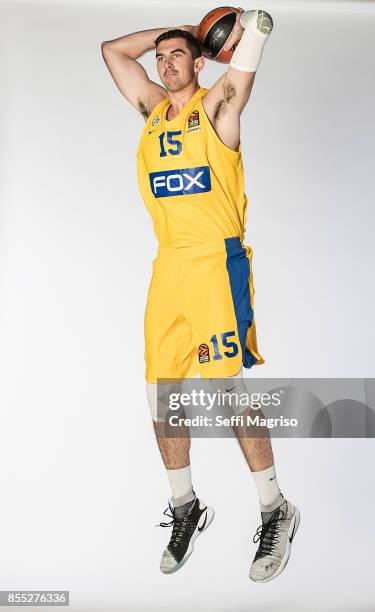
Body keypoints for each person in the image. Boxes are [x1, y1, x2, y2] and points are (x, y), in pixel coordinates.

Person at [101, 8, 300, 582]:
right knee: (160, 395)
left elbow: (252, 49)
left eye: (177, 55)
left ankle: (274, 507)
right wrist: (181, 29)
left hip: (217, 262)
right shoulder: (151, 111)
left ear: (200, 61)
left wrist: (224, 39)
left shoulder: (219, 106)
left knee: (227, 391)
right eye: (160, 57)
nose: (164, 64)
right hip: (169, 268)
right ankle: (187, 506)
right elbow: (113, 50)